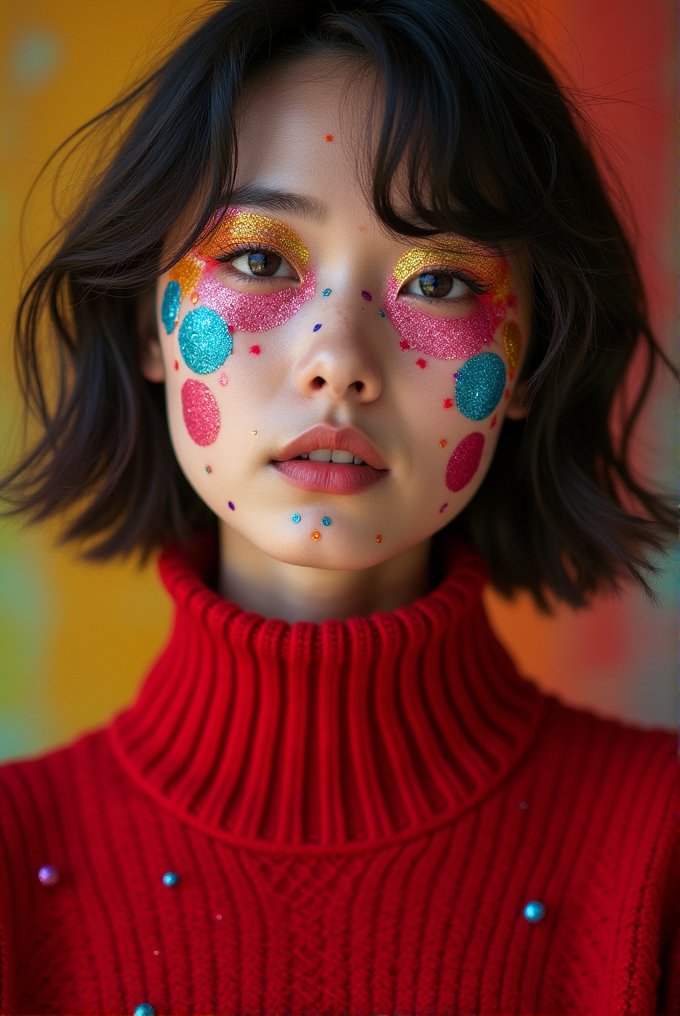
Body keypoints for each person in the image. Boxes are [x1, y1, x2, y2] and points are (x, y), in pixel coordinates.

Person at [0, 1, 677, 1013]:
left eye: (440, 278)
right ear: (150, 320)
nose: (338, 364)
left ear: (529, 355)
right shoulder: (14, 866)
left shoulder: (659, 850)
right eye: (260, 260)